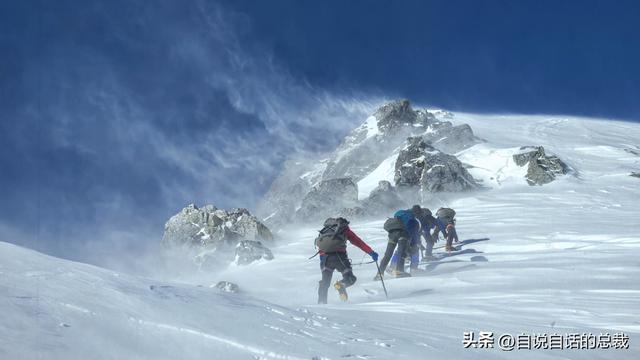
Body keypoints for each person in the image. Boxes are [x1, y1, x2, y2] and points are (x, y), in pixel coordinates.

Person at [314, 217, 378, 304]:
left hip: (325, 259)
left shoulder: (324, 231)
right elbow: (358, 242)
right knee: (350, 278)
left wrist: (323, 261)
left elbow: (321, 247)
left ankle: (321, 303)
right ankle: (342, 285)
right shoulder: (344, 229)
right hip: (340, 258)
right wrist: (371, 252)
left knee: (325, 283)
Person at [375, 206, 420, 279]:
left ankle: (379, 274)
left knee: (388, 254)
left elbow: (396, 218)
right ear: (417, 213)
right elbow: (413, 234)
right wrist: (413, 245)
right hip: (403, 234)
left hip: (392, 234)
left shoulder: (400, 212)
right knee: (401, 253)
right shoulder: (414, 221)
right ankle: (399, 272)